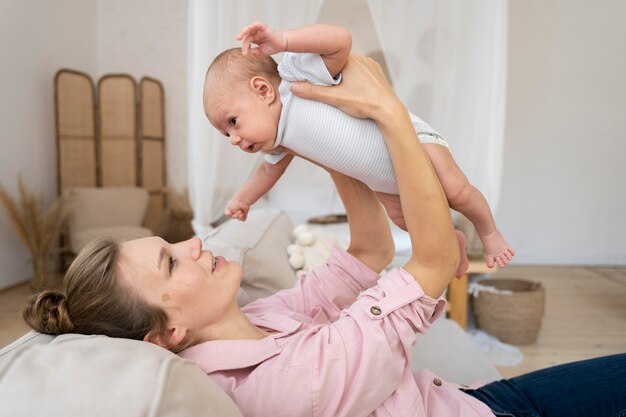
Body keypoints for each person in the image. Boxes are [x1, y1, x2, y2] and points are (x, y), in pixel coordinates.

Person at [25, 56, 625, 417]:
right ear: (168, 333)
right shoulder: (277, 385)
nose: (193, 244)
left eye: (173, 242)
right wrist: (387, 111)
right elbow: (437, 258)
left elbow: (371, 253)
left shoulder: (259, 321)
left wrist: (326, 138)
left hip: (467, 399)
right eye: (171, 263)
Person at [205, 21, 514, 269]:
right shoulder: (278, 143)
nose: (233, 139)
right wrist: (243, 199)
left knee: (457, 191)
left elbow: (339, 40)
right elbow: (266, 174)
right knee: (408, 222)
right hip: (385, 182)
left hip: (414, 141)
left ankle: (489, 232)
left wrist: (284, 40)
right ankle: (451, 241)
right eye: (224, 134)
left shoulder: (294, 79)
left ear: (262, 90)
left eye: (232, 122)